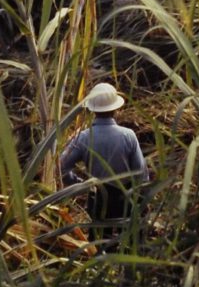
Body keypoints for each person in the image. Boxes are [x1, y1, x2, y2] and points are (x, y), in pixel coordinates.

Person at [59, 82, 148, 240]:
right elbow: (141, 173)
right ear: (115, 109)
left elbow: (61, 166)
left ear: (92, 110)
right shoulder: (128, 135)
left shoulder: (83, 137)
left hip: (98, 197)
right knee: (130, 242)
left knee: (99, 241)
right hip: (126, 198)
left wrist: (79, 184)